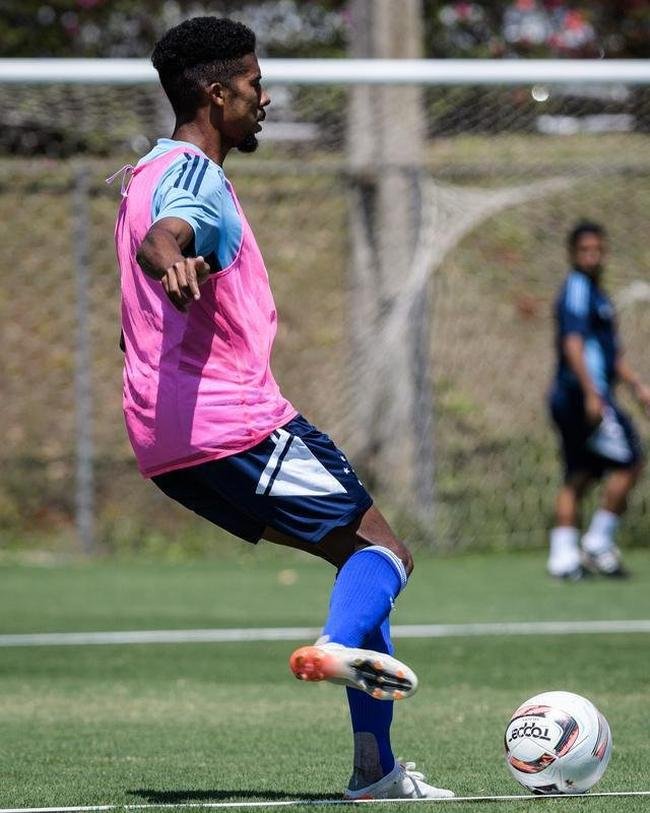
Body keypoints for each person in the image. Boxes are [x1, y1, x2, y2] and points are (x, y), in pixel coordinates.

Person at [111, 16, 453, 801]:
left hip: (165, 444)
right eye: (256, 84)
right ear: (216, 91)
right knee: (388, 554)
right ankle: (337, 646)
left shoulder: (141, 172)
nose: (266, 98)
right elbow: (165, 240)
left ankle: (377, 771)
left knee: (353, 556)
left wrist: (169, 267)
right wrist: (173, 260)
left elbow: (148, 260)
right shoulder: (192, 176)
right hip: (232, 423)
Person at [547, 220, 649, 580]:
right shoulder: (577, 290)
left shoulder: (597, 293)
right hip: (581, 396)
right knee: (632, 460)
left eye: (597, 250)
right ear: (573, 254)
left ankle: (562, 557)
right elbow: (573, 344)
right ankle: (598, 542)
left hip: (581, 395)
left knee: (582, 472)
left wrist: (636, 384)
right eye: (585, 251)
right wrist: (592, 393)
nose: (592, 256)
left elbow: (609, 352)